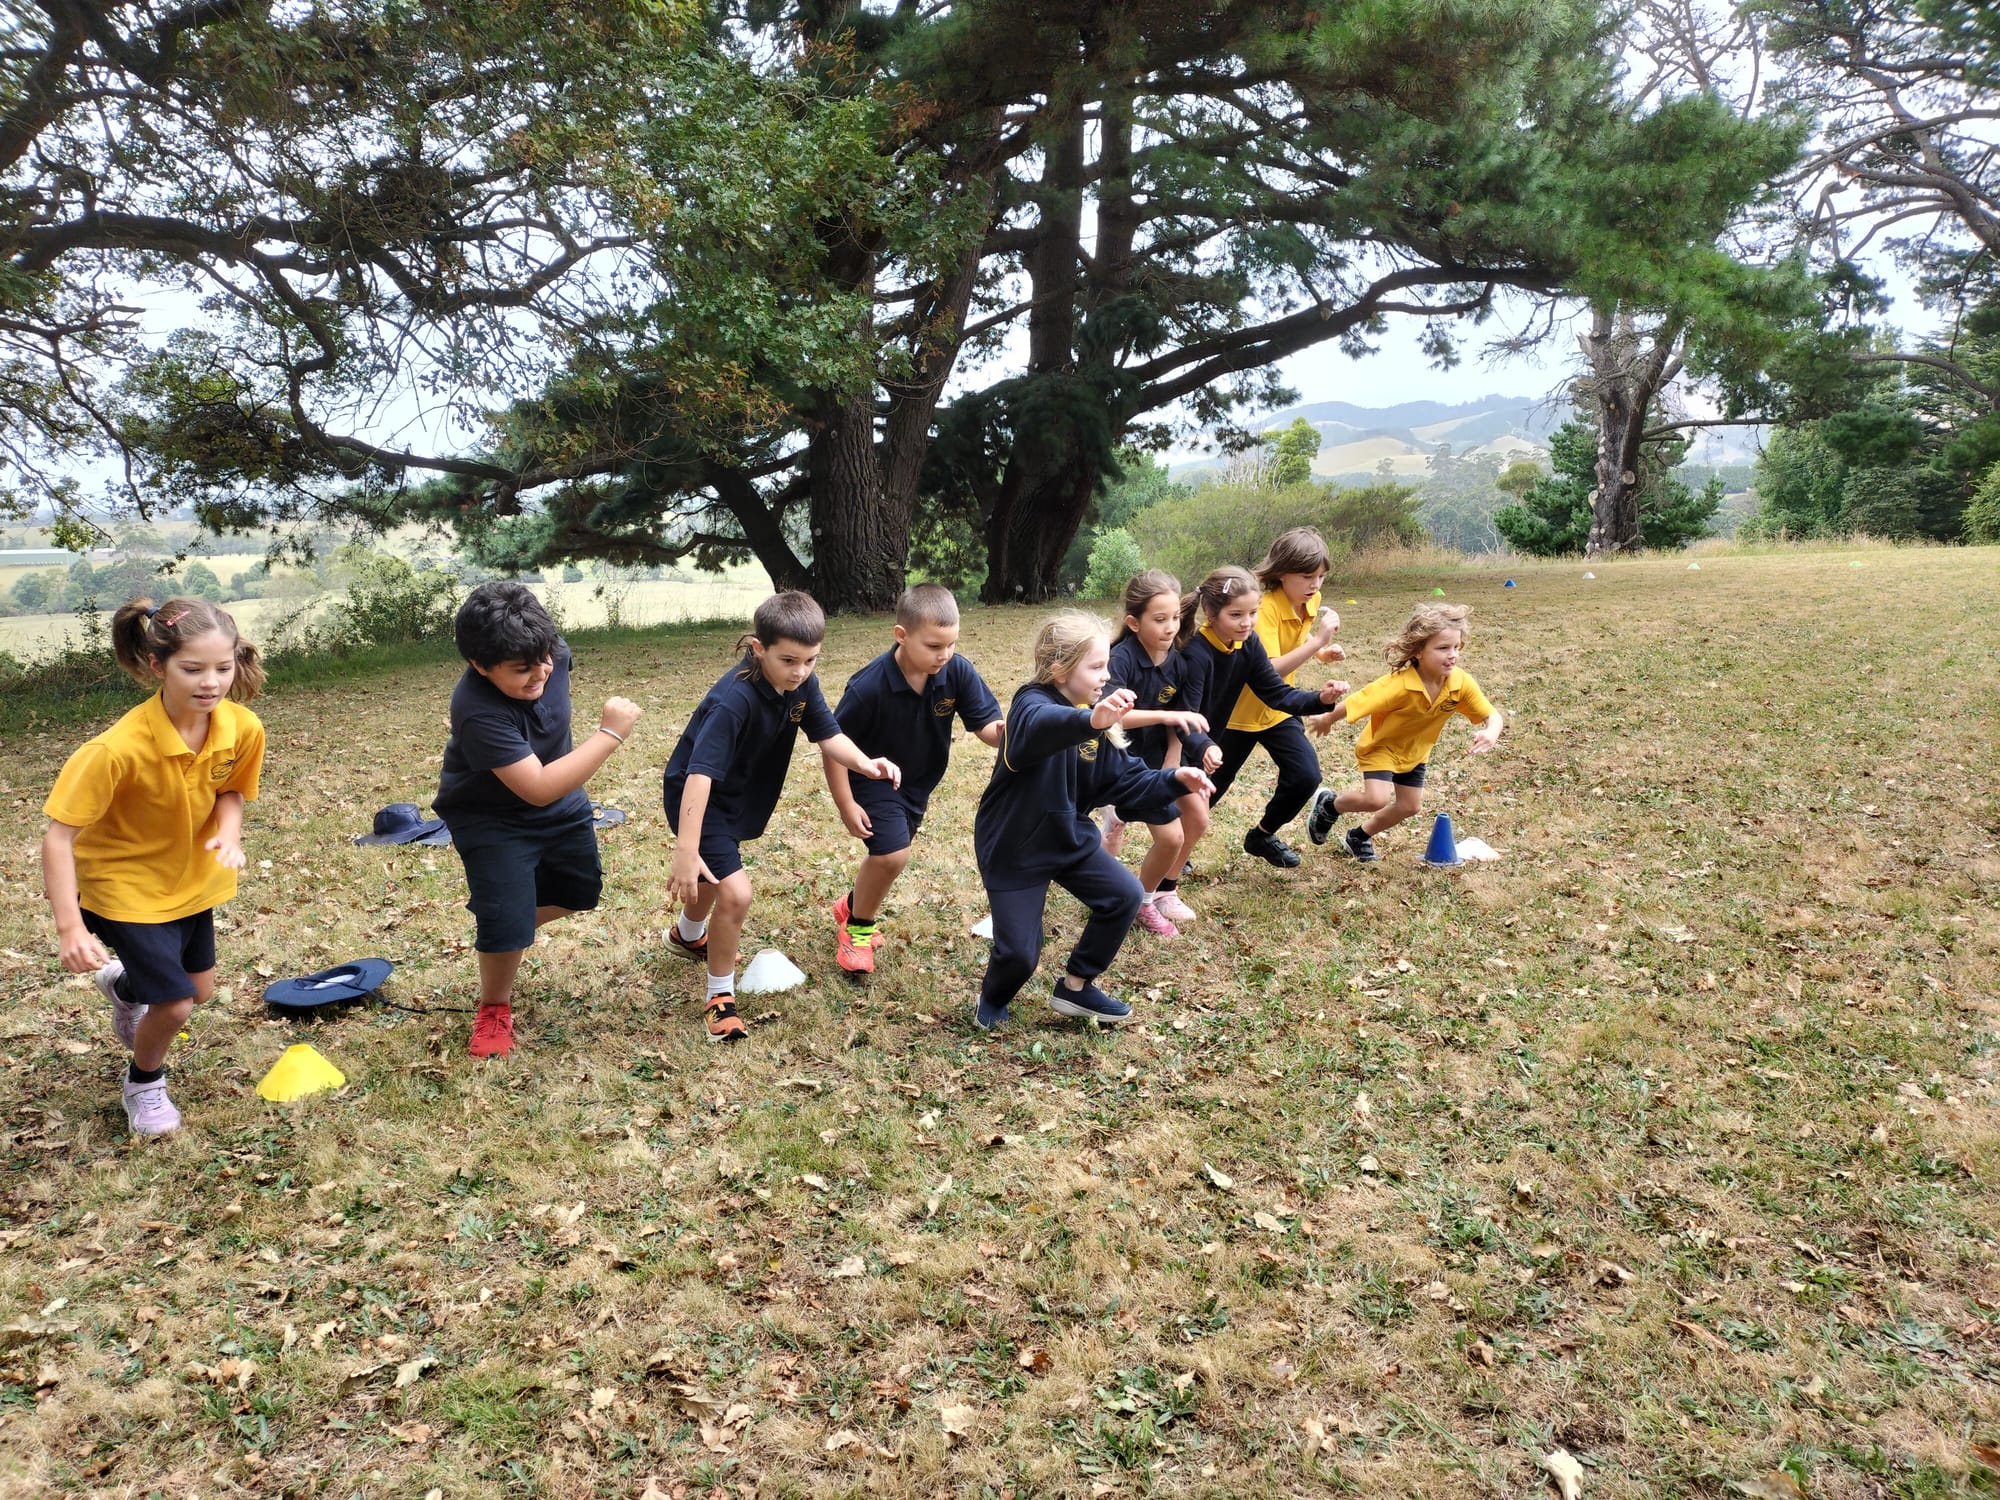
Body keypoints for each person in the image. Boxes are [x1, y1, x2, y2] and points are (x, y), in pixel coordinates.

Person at [40, 598, 267, 1136]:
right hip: (125, 887)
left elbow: (232, 789)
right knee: (177, 1005)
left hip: (191, 881)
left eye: (222, 666)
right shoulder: (114, 750)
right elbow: (58, 837)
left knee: (200, 989)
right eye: (193, 669)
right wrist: (70, 926)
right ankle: (144, 1083)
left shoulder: (241, 727)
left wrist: (228, 832)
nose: (211, 682)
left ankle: (126, 987)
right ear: (155, 665)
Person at [662, 591, 900, 1041]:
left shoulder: (801, 686)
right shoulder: (734, 700)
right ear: (758, 648)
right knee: (735, 893)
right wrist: (685, 848)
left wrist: (868, 763)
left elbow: (829, 735)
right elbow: (698, 776)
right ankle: (720, 998)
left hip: (737, 794)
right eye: (789, 660)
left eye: (810, 660)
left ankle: (687, 934)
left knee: (715, 876)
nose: (801, 671)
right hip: (699, 799)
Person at [973, 613, 1214, 1032]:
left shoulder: (1093, 723)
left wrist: (1175, 779)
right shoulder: (1031, 705)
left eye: (1106, 666)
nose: (1107, 676)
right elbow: (1040, 727)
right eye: (1097, 667)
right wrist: (1091, 720)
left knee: (1124, 895)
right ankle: (991, 999)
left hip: (1067, 839)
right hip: (1014, 849)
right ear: (1059, 669)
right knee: (1020, 955)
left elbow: (1126, 779)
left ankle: (1076, 985)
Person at [434, 582, 641, 1059]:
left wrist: (540, 659)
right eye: (521, 671)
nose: (540, 674)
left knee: (579, 894)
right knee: (506, 921)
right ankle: (494, 1006)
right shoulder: (476, 711)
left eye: (544, 659)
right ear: (479, 666)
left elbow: (553, 787)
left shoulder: (548, 652)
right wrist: (610, 733)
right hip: (492, 817)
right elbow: (537, 787)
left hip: (563, 801)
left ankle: (502, 923)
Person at [825, 582, 1003, 974]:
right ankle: (857, 929)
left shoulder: (956, 671)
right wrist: (845, 803)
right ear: (901, 636)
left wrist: (1018, 733)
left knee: (888, 858)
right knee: (892, 854)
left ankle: (852, 904)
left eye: (951, 644)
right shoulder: (869, 686)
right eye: (934, 646)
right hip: (870, 779)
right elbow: (832, 745)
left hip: (918, 784)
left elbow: (988, 728)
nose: (945, 655)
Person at [1177, 565, 1346, 872]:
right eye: (1236, 615)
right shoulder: (1196, 655)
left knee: (1196, 808)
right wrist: (1203, 746)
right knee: (1187, 805)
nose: (1247, 623)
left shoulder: (1248, 642)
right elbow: (1187, 716)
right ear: (1211, 614)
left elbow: (1276, 693)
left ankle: (1168, 876)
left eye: (1253, 613)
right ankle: (1161, 870)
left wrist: (1319, 699)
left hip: (1212, 740)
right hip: (1189, 742)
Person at [1306, 602, 1504, 860]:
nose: (1452, 654)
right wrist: (1327, 719)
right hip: (1382, 748)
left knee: (1410, 806)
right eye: (1443, 648)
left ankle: (1358, 837)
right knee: (1376, 799)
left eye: (1456, 647)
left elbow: (1492, 715)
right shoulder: (1398, 685)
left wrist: (1491, 732)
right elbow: (1359, 701)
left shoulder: (1460, 683)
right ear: (1419, 651)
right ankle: (1329, 806)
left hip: (1416, 753)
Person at [1100, 570, 1214, 934]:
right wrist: (1168, 714)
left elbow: (1183, 718)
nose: (1170, 627)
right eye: (1160, 619)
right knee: (1171, 836)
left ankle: (1165, 889)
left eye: (1176, 618)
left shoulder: (1178, 662)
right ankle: (1142, 902)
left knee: (1197, 817)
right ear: (1133, 622)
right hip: (1122, 764)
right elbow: (1113, 719)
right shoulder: (1120, 659)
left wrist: (1176, 755)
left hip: (1159, 762)